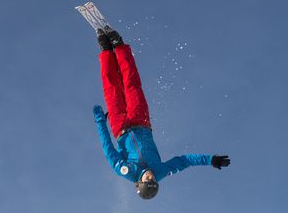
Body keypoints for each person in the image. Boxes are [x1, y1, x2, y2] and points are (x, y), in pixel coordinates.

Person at [93, 27, 230, 199]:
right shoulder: (161, 171)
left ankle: (105, 50)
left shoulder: (125, 171)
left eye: (148, 179)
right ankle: (118, 46)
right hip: (140, 120)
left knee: (111, 88)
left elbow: (108, 149)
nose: (151, 176)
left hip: (119, 127)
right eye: (154, 180)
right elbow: (184, 161)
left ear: (140, 183)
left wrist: (100, 121)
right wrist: (211, 160)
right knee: (131, 84)